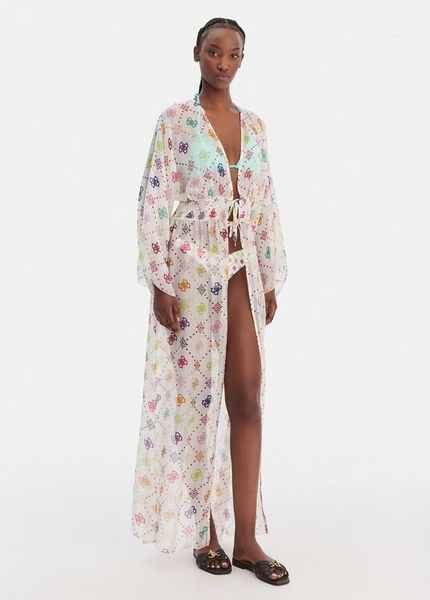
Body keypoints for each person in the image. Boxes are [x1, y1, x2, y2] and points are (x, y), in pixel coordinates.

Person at [131, 17, 289, 586]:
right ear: (196, 53)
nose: (224, 63)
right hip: (193, 271)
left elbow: (265, 201)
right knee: (198, 402)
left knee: (246, 397)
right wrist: (161, 281)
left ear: (243, 60)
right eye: (215, 52)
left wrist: (267, 277)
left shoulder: (256, 126)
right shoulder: (175, 122)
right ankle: (205, 531)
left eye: (234, 54)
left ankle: (246, 538)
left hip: (242, 266)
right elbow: (153, 199)